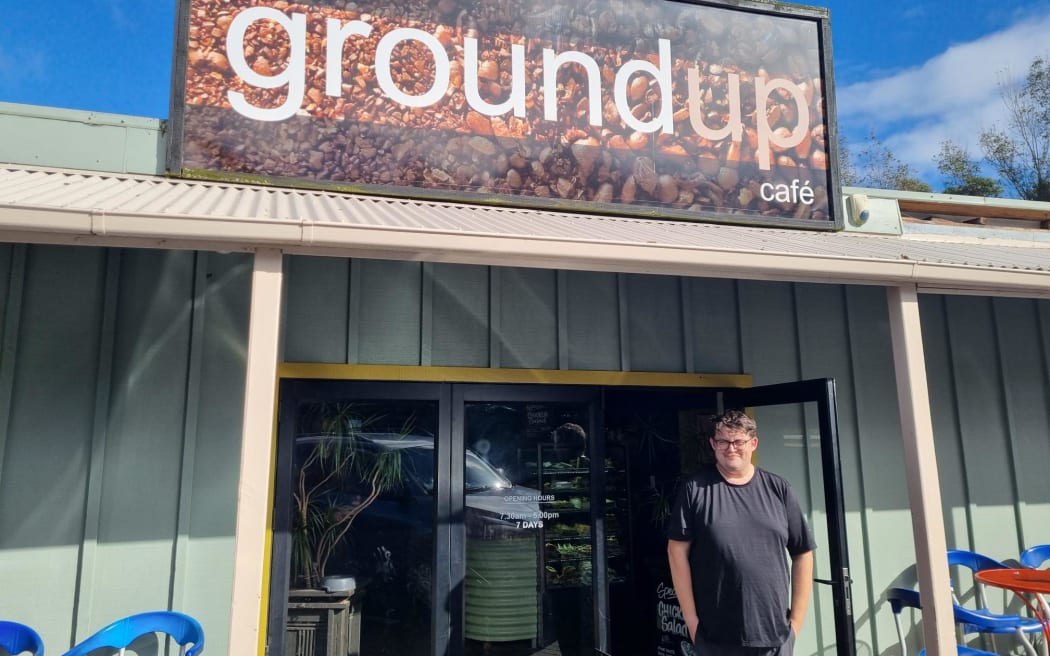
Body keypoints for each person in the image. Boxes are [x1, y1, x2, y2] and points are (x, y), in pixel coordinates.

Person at [666, 409, 815, 656]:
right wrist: (692, 622)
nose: (731, 448)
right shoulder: (695, 489)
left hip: (773, 637)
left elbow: (803, 553)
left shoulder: (779, 489)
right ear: (713, 444)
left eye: (738, 441)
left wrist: (795, 625)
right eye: (723, 441)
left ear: (753, 443)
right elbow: (676, 552)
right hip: (716, 637)